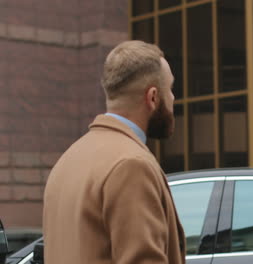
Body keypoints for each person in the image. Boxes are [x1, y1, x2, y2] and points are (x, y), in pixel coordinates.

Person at [43, 40, 185, 264]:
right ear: (153, 97)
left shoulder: (68, 159)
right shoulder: (131, 165)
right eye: (171, 89)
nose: (174, 98)